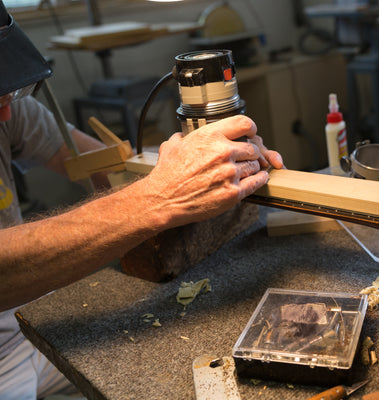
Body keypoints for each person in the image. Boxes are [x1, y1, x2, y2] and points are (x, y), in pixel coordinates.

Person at [0, 2, 284, 399]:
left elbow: (106, 167)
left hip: (36, 320)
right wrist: (158, 198)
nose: (7, 108)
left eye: (10, 88)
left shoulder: (8, 108)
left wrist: (202, 163)